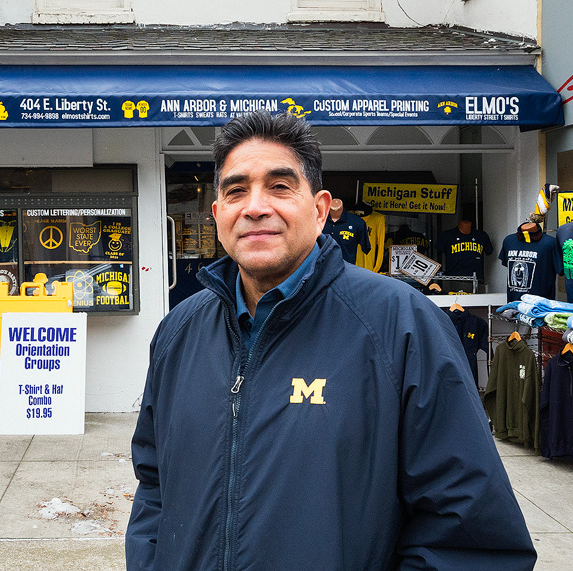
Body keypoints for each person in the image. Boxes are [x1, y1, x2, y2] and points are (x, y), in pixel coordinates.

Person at [127, 110, 537, 570]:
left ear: (321, 210)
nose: (255, 206)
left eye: (280, 187)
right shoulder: (178, 331)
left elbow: (469, 538)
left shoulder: (401, 326)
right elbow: (155, 486)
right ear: (219, 213)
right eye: (236, 190)